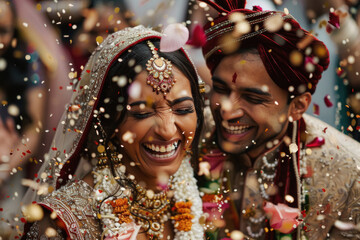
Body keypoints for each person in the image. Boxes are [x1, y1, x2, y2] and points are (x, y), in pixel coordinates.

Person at [21, 25, 205, 239]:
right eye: (143, 113)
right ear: (107, 122)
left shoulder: (201, 196)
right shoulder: (65, 223)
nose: (167, 130)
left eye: (182, 110)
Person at [196, 0, 360, 239]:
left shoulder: (350, 175)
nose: (227, 112)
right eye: (220, 89)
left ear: (297, 106)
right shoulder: (189, 134)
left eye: (253, 97)